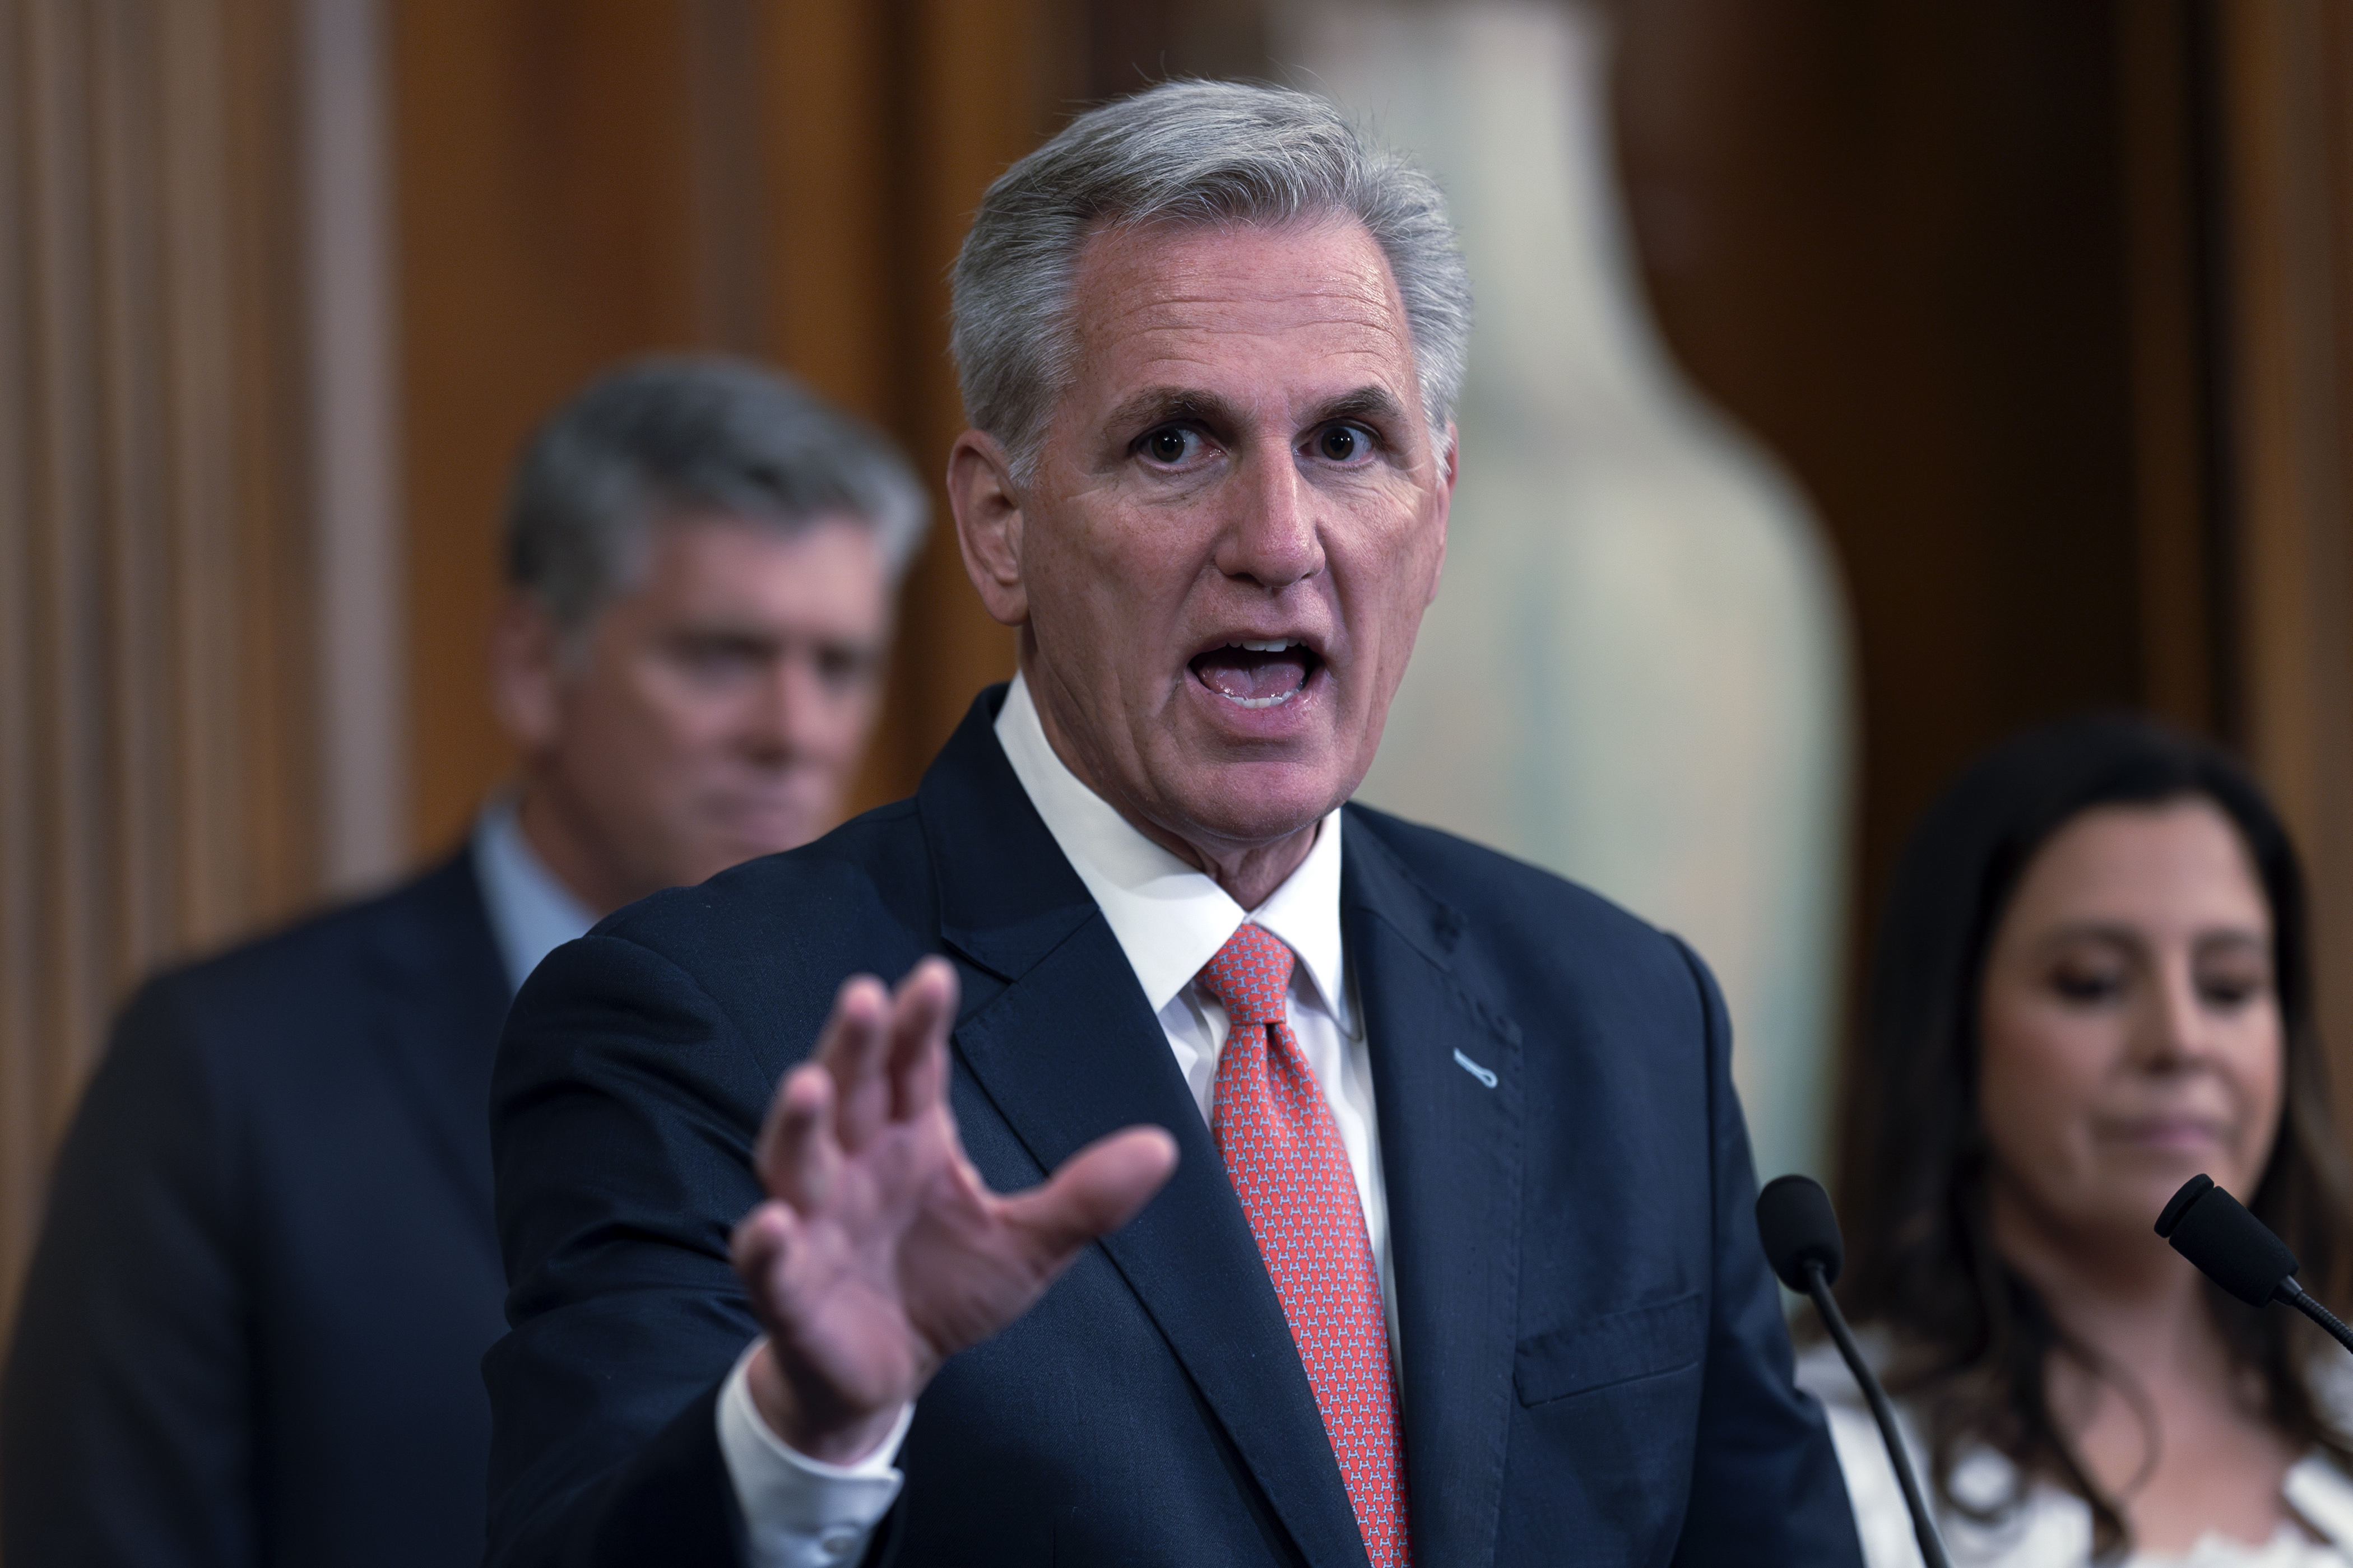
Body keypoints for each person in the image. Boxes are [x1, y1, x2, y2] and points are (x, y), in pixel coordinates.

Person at [484, 81, 1863, 1568]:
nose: (1278, 542)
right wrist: (805, 1431)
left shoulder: (1619, 1014)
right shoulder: (715, 1032)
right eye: (1176, 445)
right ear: (1002, 526)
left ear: (1439, 510)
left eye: (1347, 442)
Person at [0, 356, 926, 1567]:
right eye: (720, 655)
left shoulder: (950, 1044)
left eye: (839, 665)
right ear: (535, 667)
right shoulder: (228, 1069)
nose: (794, 731)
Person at [1807, 714, 2353, 1566]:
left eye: (2229, 985)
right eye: (2092, 983)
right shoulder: (1824, 1454)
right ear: (1951, 1032)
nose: (2180, 1040)